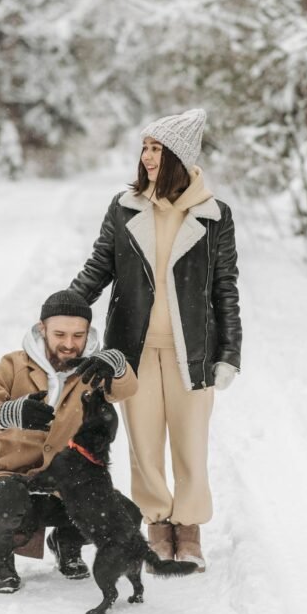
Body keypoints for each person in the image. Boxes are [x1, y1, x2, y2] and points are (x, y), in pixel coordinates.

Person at [69, 108, 242, 571]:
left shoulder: (214, 216)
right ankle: (156, 524)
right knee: (144, 444)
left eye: (157, 149)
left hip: (194, 352)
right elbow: (99, 266)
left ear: (179, 158)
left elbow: (225, 287)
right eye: (144, 147)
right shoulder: (125, 208)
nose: (147, 157)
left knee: (190, 442)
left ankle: (188, 528)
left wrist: (229, 353)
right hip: (134, 350)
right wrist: (66, 306)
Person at [0, 289, 137, 593]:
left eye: (78, 335)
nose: (69, 344)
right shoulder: (13, 366)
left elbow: (125, 389)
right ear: (42, 329)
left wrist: (118, 365)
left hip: (67, 486)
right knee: (6, 498)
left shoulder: (92, 369)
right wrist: (9, 412)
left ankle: (66, 543)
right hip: (15, 484)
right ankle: (2, 561)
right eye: (60, 334)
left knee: (128, 515)